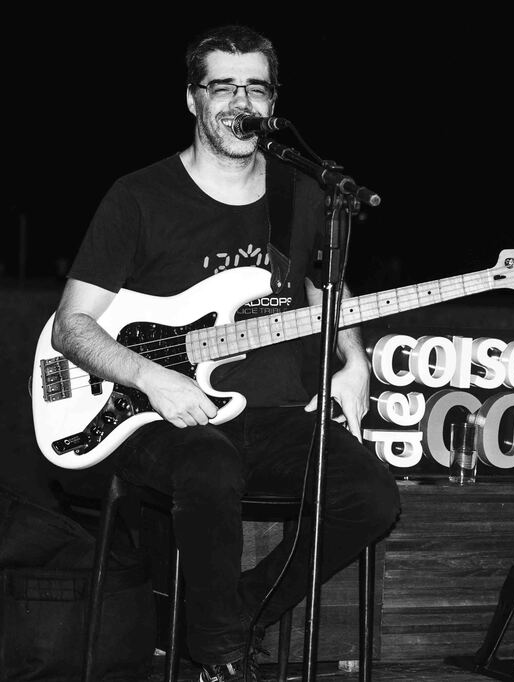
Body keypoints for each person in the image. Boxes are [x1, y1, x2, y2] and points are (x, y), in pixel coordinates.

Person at [50, 25, 400, 682]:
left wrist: (354, 363)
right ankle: (221, 660)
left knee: (372, 496)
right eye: (223, 87)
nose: (242, 101)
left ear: (274, 103)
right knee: (209, 463)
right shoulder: (140, 196)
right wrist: (153, 379)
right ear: (192, 99)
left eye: (256, 88)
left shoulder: (302, 194)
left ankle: (234, 616)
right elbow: (72, 327)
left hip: (270, 413)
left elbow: (327, 288)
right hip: (151, 415)